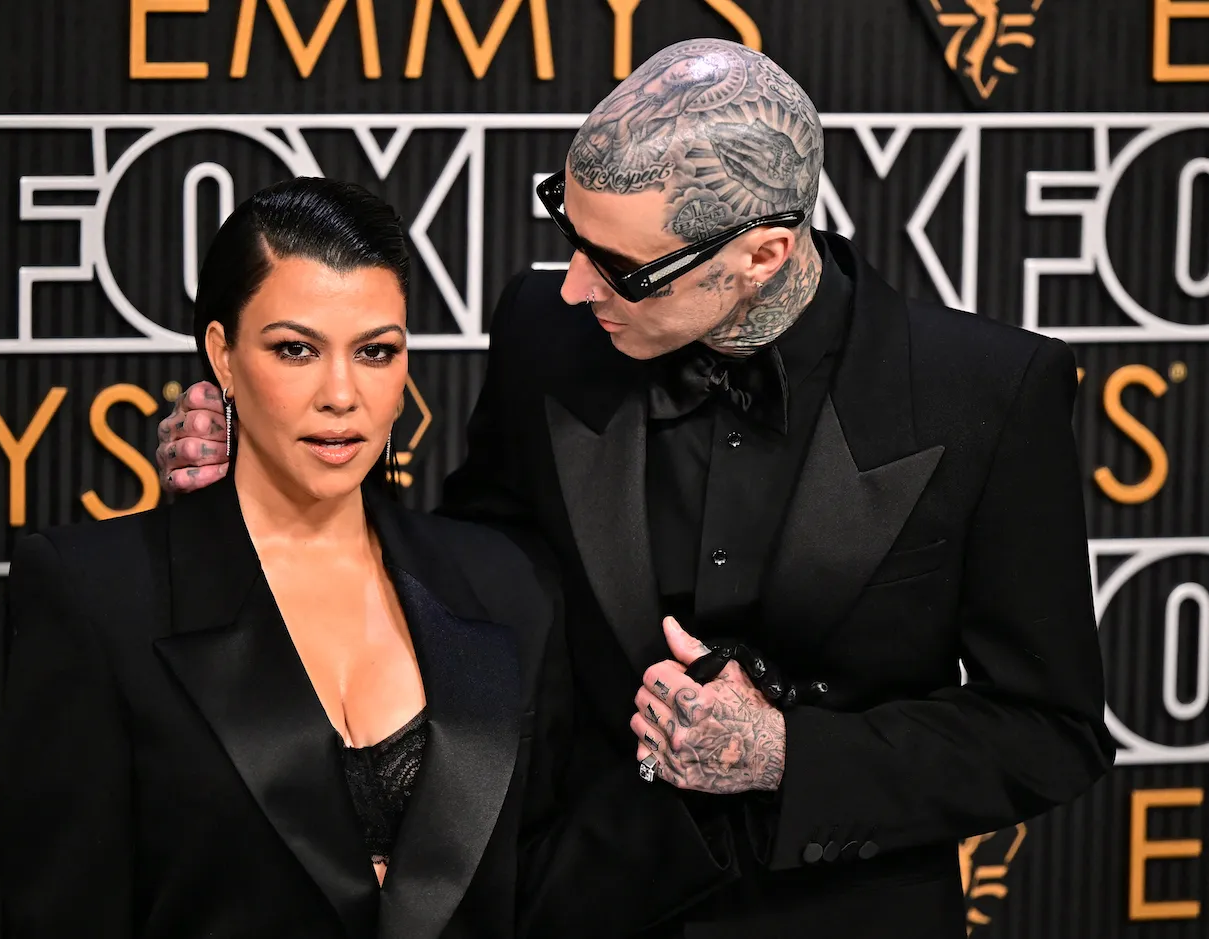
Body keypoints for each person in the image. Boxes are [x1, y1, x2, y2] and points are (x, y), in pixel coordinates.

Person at [154, 40, 1115, 939]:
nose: (573, 285)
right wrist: (277, 480)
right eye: (567, 231)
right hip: (578, 900)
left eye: (618, 267)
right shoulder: (545, 331)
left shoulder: (985, 393)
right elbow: (471, 579)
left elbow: (1048, 730)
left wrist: (786, 755)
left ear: (762, 255)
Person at [0, 177, 571, 939]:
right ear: (222, 356)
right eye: (295, 349)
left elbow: (549, 886)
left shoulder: (505, 585)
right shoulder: (96, 593)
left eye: (375, 351)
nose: (341, 393)